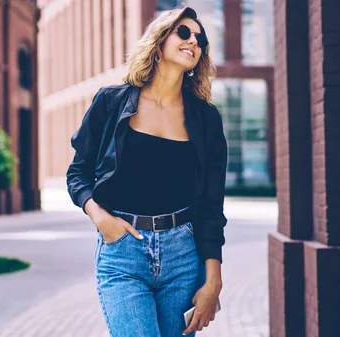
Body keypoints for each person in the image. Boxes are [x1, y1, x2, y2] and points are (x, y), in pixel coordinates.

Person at [66, 6, 227, 337]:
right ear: (159, 40)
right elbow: (78, 173)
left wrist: (213, 280)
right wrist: (100, 218)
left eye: (201, 39)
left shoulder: (205, 118)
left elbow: (212, 205)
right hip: (123, 251)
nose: (194, 41)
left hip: (183, 256)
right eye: (184, 32)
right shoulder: (111, 102)